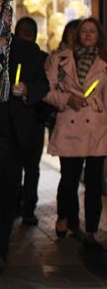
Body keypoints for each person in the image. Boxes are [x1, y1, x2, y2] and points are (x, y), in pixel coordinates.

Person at [0, 2, 49, 274]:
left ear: (11, 19)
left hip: (14, 135)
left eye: (3, 15)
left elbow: (43, 84)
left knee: (7, 194)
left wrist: (27, 88)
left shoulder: (29, 51)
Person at [44, 17, 107, 248]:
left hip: (96, 127)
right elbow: (46, 90)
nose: (88, 35)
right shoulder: (60, 59)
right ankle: (65, 217)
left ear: (99, 35)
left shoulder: (104, 62)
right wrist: (66, 99)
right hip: (69, 120)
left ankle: (91, 230)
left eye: (93, 31)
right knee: (69, 178)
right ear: (76, 34)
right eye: (84, 31)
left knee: (94, 182)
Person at [13, 16, 50, 226]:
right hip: (18, 123)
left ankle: (27, 207)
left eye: (29, 30)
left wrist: (28, 91)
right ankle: (22, 206)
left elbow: (45, 87)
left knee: (30, 168)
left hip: (34, 121)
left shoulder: (41, 57)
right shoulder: (11, 54)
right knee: (22, 168)